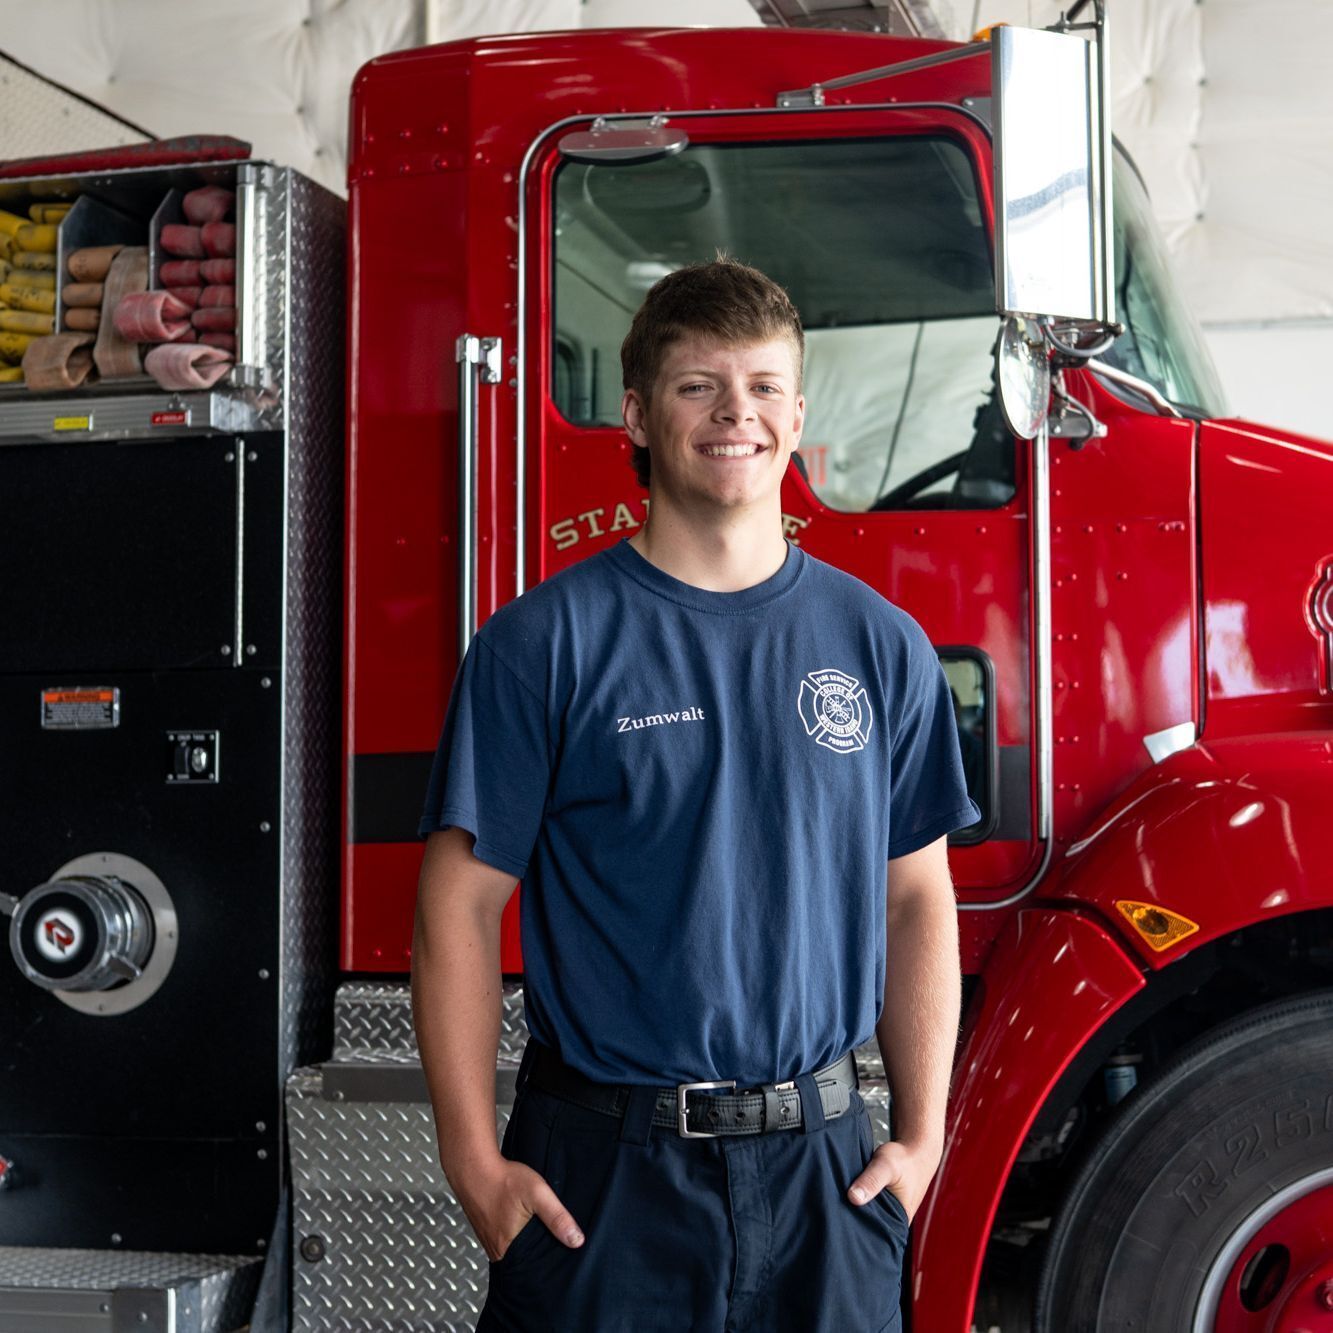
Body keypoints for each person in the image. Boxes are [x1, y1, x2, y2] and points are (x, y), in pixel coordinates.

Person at [413, 257, 980, 1332]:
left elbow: (917, 900)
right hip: (604, 1180)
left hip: (826, 1172)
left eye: (764, 386)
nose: (737, 414)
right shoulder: (543, 645)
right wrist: (475, 1164)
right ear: (636, 413)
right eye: (698, 386)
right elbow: (457, 907)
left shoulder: (879, 645)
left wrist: (920, 1138)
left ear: (798, 414)